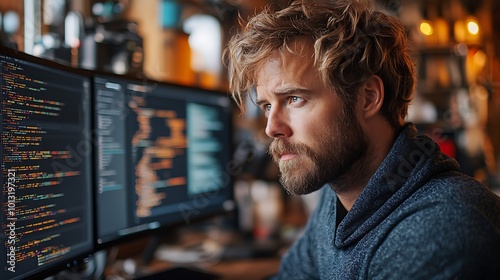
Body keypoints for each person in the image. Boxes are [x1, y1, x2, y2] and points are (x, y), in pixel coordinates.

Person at [223, 0, 500, 279]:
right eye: (267, 106)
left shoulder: (440, 230)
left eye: (294, 99)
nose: (272, 128)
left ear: (367, 97)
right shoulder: (336, 197)